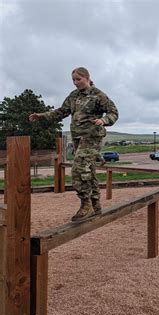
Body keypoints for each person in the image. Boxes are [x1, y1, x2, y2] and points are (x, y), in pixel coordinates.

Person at [29, 67, 118, 221]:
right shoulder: (73, 96)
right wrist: (41, 116)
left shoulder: (98, 95)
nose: (76, 83)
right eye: (73, 80)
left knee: (78, 169)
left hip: (92, 137)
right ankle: (95, 205)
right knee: (88, 171)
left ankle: (86, 204)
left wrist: (104, 120)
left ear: (88, 78)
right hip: (78, 138)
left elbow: (113, 112)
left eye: (79, 79)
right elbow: (61, 111)